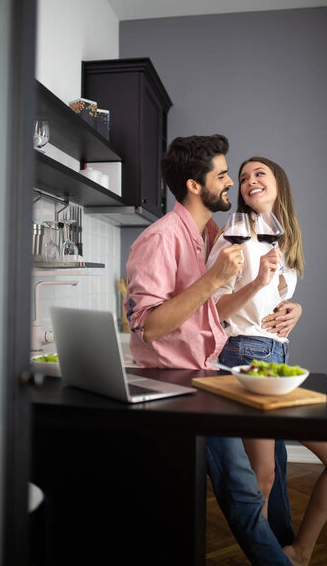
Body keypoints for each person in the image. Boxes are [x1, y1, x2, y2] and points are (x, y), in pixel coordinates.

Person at [125, 135, 296, 565]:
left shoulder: (212, 234)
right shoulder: (160, 238)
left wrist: (282, 301)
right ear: (194, 185)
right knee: (242, 488)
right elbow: (147, 326)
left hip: (207, 373)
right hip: (174, 384)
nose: (230, 182)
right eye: (223, 174)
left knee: (257, 477)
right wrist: (214, 279)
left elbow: (216, 313)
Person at [206, 156, 327, 566]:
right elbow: (211, 310)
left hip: (276, 360)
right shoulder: (235, 235)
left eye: (259, 174)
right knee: (263, 476)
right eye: (242, 177)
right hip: (243, 358)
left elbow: (270, 304)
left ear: (280, 185)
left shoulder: (282, 238)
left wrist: (296, 308)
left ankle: (300, 552)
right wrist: (258, 282)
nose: (249, 181)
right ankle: (272, 559)